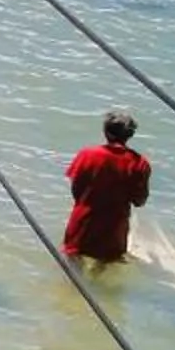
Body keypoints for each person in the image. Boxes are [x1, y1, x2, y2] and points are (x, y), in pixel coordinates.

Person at [64, 110, 151, 264]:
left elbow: (76, 189)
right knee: (105, 270)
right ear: (130, 135)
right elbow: (139, 201)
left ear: (106, 132)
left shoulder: (87, 154)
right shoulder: (140, 163)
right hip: (114, 229)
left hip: (83, 222)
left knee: (73, 267)